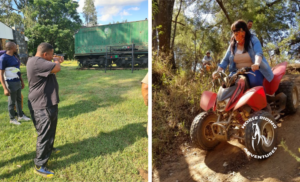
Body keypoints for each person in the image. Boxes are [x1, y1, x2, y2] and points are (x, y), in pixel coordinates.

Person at [27, 42, 64, 178]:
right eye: (50, 54)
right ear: (44, 54)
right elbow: (57, 68)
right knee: (44, 133)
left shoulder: (37, 61)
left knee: (50, 130)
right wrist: (56, 61)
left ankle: (49, 148)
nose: (52, 57)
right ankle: (39, 165)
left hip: (47, 102)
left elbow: (54, 69)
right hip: (42, 104)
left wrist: (55, 61)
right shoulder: (37, 62)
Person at [213, 20, 274, 88]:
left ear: (243, 32)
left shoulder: (253, 39)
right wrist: (219, 71)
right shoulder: (232, 44)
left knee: (255, 83)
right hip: (237, 72)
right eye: (234, 33)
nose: (235, 36)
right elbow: (225, 60)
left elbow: (258, 52)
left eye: (237, 33)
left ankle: (264, 97)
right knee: (225, 85)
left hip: (252, 70)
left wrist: (257, 63)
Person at [0, 42, 31, 125]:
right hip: (10, 83)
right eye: (15, 46)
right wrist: (5, 88)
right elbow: (1, 75)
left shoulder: (14, 57)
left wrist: (22, 81)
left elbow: (17, 70)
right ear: (12, 47)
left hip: (17, 81)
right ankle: (12, 118)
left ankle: (20, 115)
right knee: (11, 101)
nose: (17, 48)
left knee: (19, 99)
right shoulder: (3, 58)